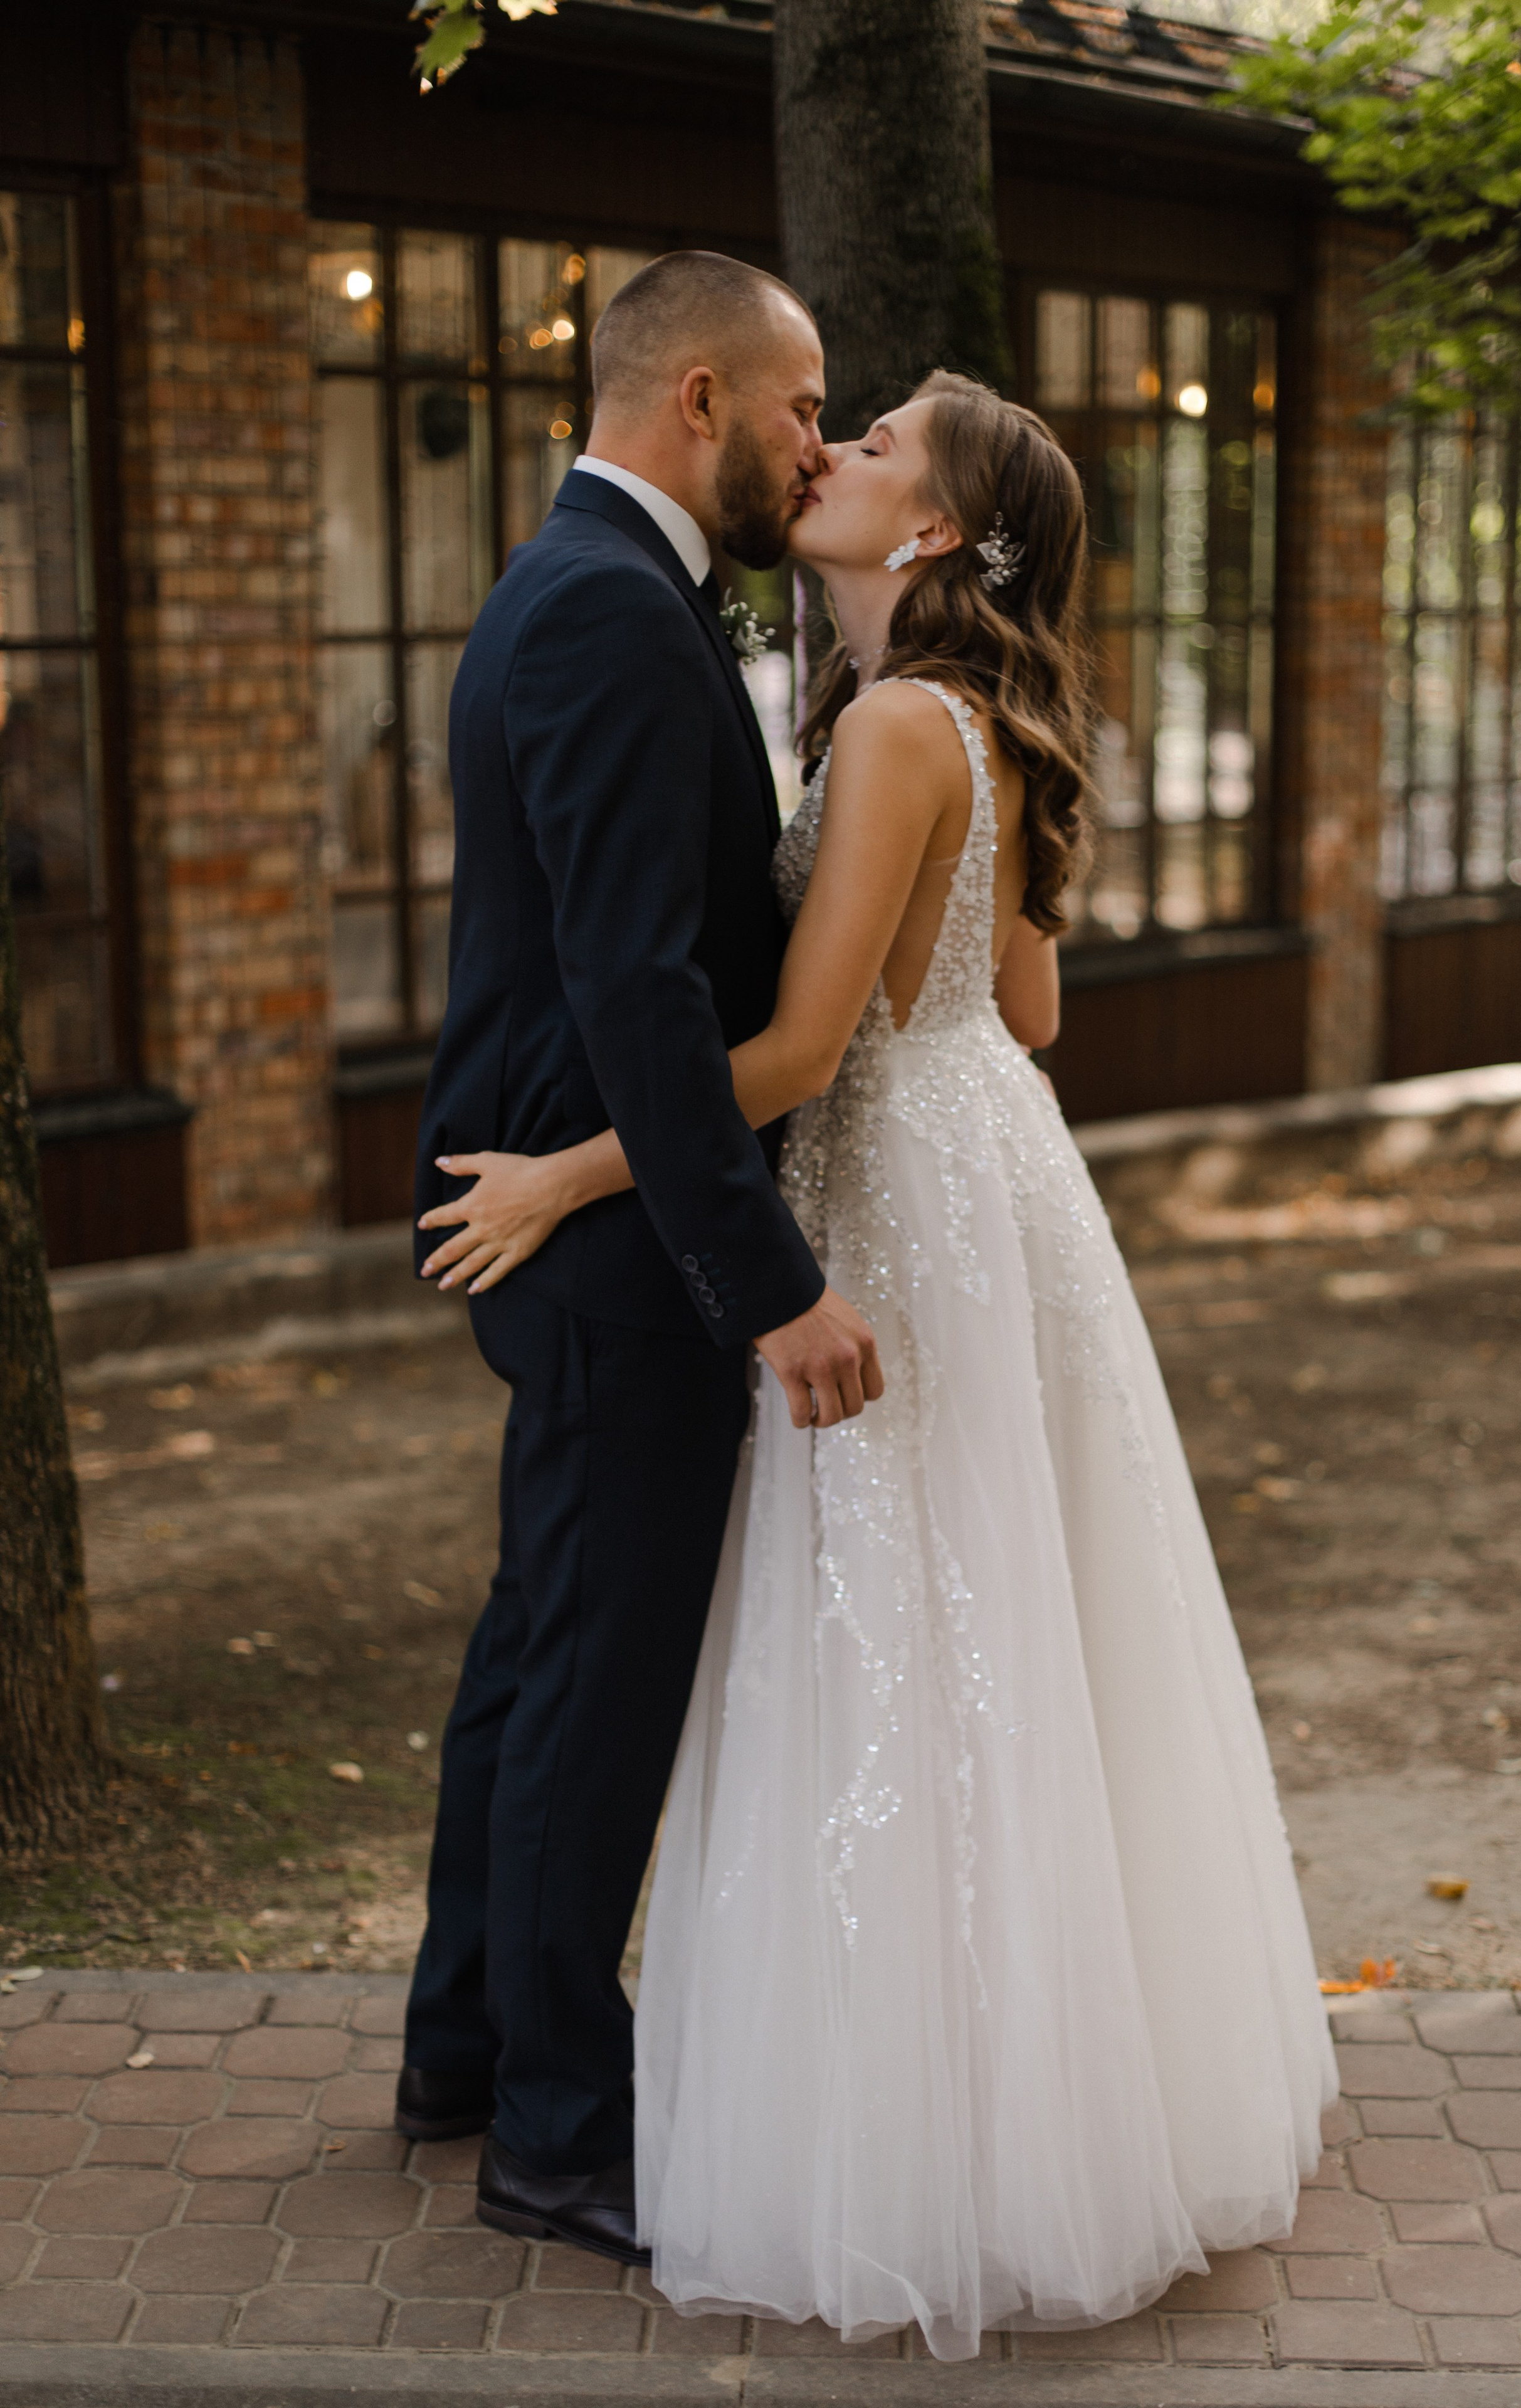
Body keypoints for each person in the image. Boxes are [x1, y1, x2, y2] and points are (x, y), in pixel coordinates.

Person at [419, 370, 1337, 2356]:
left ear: (929, 539)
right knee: (992, 1628)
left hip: (886, 1191)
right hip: (989, 1181)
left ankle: (913, 2116)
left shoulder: (902, 723)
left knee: (903, 1636)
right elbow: (1027, 999)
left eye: (884, 441)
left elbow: (797, 1054)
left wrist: (576, 1170)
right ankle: (1009, 2085)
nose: (833, 451)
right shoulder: (958, 719)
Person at [395, 251, 882, 2269]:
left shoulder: (593, 583)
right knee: (593, 1682)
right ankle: (556, 2133)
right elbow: (637, 997)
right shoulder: (605, 607)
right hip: (618, 1263)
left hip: (584, 1234)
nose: (811, 440)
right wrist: (765, 1280)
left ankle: (465, 2049)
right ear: (698, 398)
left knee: (539, 1650)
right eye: (799, 404)